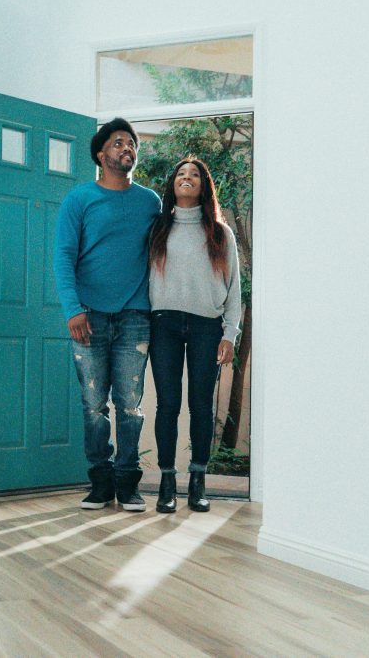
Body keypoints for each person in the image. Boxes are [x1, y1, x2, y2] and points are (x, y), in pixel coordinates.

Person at [54, 118, 161, 511]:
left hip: (136, 316)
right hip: (89, 317)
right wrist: (73, 310)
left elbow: (162, 254)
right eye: (118, 143)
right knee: (94, 405)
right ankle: (100, 483)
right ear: (101, 155)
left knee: (130, 405)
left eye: (131, 143)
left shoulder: (150, 202)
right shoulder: (79, 199)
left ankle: (128, 483)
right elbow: (63, 256)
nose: (126, 148)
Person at [147, 157, 241, 513]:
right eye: (181, 174)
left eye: (195, 175)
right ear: (173, 184)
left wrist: (229, 334)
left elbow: (234, 290)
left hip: (207, 326)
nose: (187, 178)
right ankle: (167, 484)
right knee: (167, 404)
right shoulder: (157, 228)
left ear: (204, 186)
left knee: (200, 405)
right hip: (164, 325)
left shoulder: (220, 233)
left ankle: (198, 483)